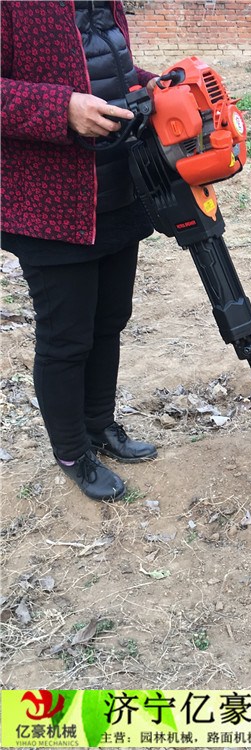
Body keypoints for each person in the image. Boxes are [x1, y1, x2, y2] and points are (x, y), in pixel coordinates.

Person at [1, 1, 160, 502]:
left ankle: (99, 426)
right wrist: (62, 109)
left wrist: (155, 83)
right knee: (67, 338)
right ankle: (72, 451)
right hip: (50, 204)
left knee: (110, 319)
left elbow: (112, 69)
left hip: (117, 187)